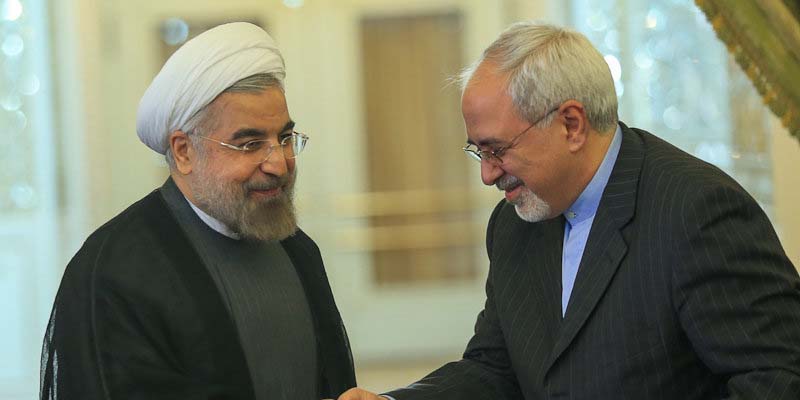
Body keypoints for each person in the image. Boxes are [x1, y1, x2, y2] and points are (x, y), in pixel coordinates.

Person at [340, 21, 800, 400]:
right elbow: (497, 369)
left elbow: (777, 378)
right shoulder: (514, 223)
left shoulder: (696, 211)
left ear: (572, 125)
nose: (487, 174)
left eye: (497, 149)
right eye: (477, 151)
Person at [40, 22, 355, 400]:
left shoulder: (296, 249)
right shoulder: (114, 271)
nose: (279, 163)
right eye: (250, 144)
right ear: (184, 152)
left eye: (284, 138)